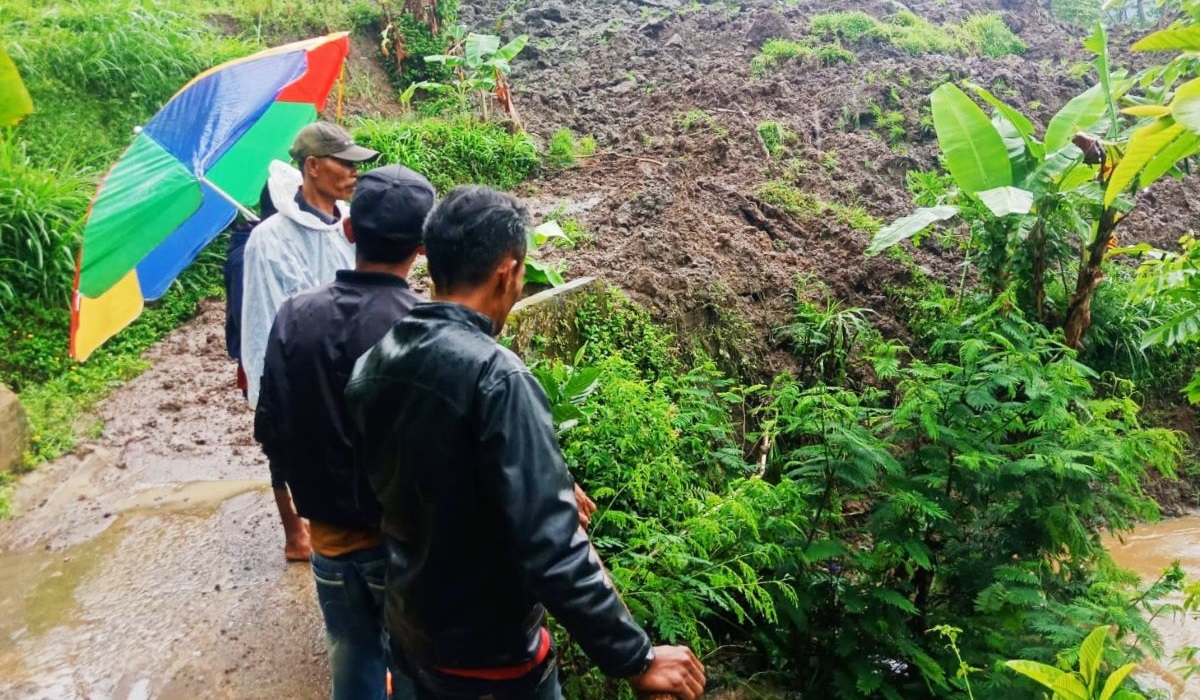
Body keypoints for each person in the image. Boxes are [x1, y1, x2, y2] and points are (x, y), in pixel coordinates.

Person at [345, 186, 707, 700]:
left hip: (413, 639)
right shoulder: (497, 377)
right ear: (508, 271)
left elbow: (378, 497)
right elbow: (551, 545)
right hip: (491, 661)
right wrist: (636, 658)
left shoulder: (373, 365)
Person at [254, 165, 435, 700]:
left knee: (352, 656)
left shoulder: (293, 317)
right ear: (422, 247)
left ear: (349, 231)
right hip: (402, 544)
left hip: (330, 540)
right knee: (418, 667)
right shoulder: (424, 328)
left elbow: (271, 428)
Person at [241, 121, 379, 561]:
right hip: (301, 361)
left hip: (345, 357)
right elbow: (265, 318)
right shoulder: (270, 240)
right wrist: (270, 395)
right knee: (289, 449)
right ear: (314, 167)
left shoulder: (348, 226)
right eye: (346, 164)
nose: (354, 173)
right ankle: (296, 537)